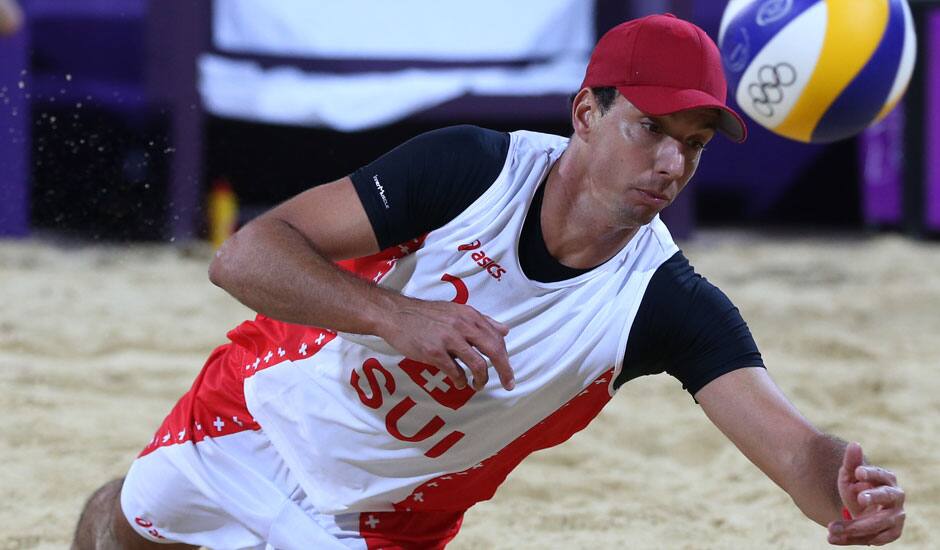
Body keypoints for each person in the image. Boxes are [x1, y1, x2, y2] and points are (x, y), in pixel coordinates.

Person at [72, 13, 906, 549]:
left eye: (693, 144)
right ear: (586, 113)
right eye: (650, 127)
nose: (670, 162)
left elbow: (794, 450)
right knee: (120, 523)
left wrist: (842, 487)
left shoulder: (668, 303)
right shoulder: (473, 167)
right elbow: (243, 256)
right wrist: (398, 317)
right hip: (253, 414)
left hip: (384, 523)